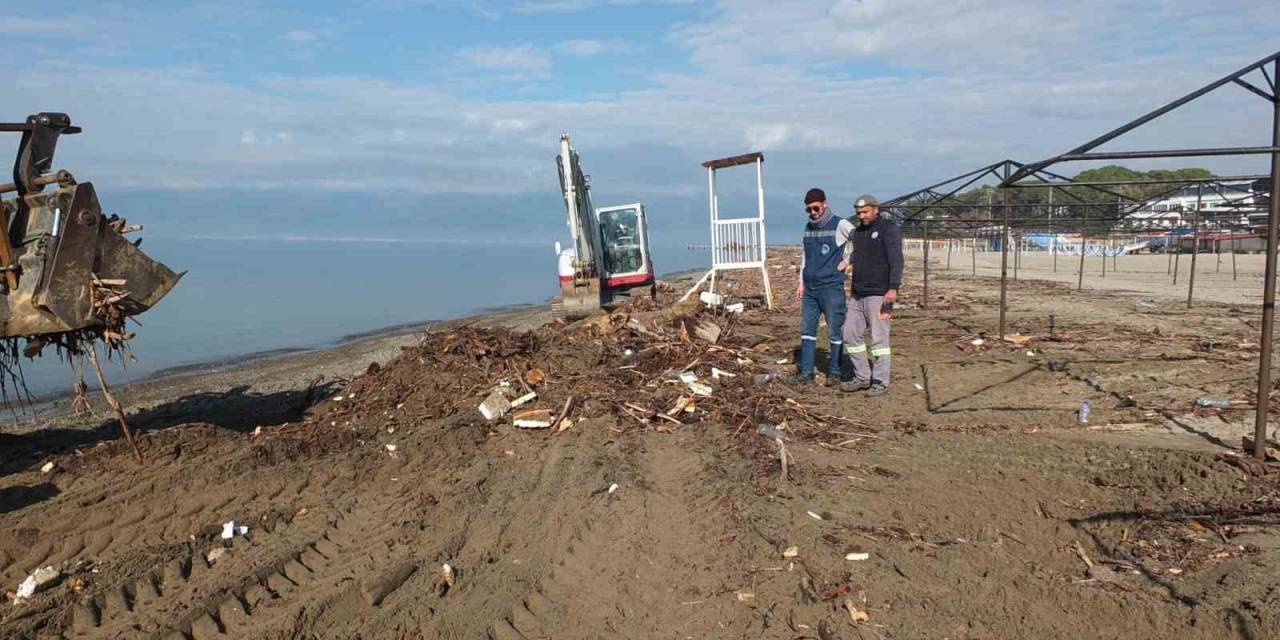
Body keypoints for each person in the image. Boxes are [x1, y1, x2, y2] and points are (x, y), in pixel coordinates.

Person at [840, 194, 902, 396]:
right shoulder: (858, 233)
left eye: (865, 212)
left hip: (880, 294)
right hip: (858, 294)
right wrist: (848, 262)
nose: (862, 216)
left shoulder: (888, 229)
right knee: (849, 334)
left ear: (876, 209)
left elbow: (896, 260)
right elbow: (858, 254)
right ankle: (862, 376)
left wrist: (893, 288)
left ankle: (881, 381)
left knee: (879, 341)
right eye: (859, 213)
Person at [793, 188, 854, 386]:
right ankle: (807, 372)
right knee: (807, 330)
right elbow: (805, 256)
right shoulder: (808, 228)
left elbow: (861, 240)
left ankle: (835, 372)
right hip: (810, 288)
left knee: (834, 330)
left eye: (815, 208)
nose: (812, 212)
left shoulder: (840, 224)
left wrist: (849, 260)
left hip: (831, 287)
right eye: (809, 210)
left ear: (824, 204)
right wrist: (801, 283)